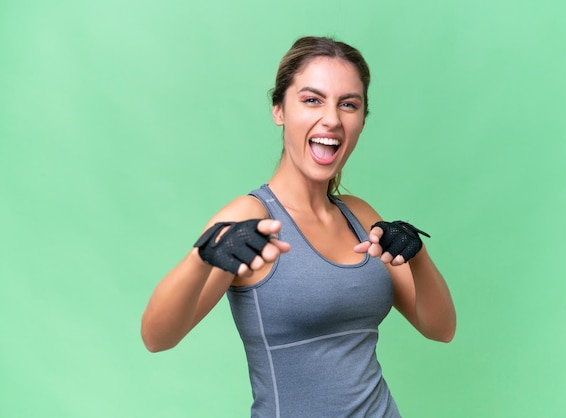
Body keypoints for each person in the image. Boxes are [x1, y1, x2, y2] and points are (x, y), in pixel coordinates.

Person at [141, 36, 456, 417]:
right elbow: (157, 337)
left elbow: (441, 329)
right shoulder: (249, 217)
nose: (332, 119)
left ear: (362, 119)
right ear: (279, 110)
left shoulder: (361, 216)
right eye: (312, 100)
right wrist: (202, 258)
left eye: (349, 105)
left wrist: (417, 256)